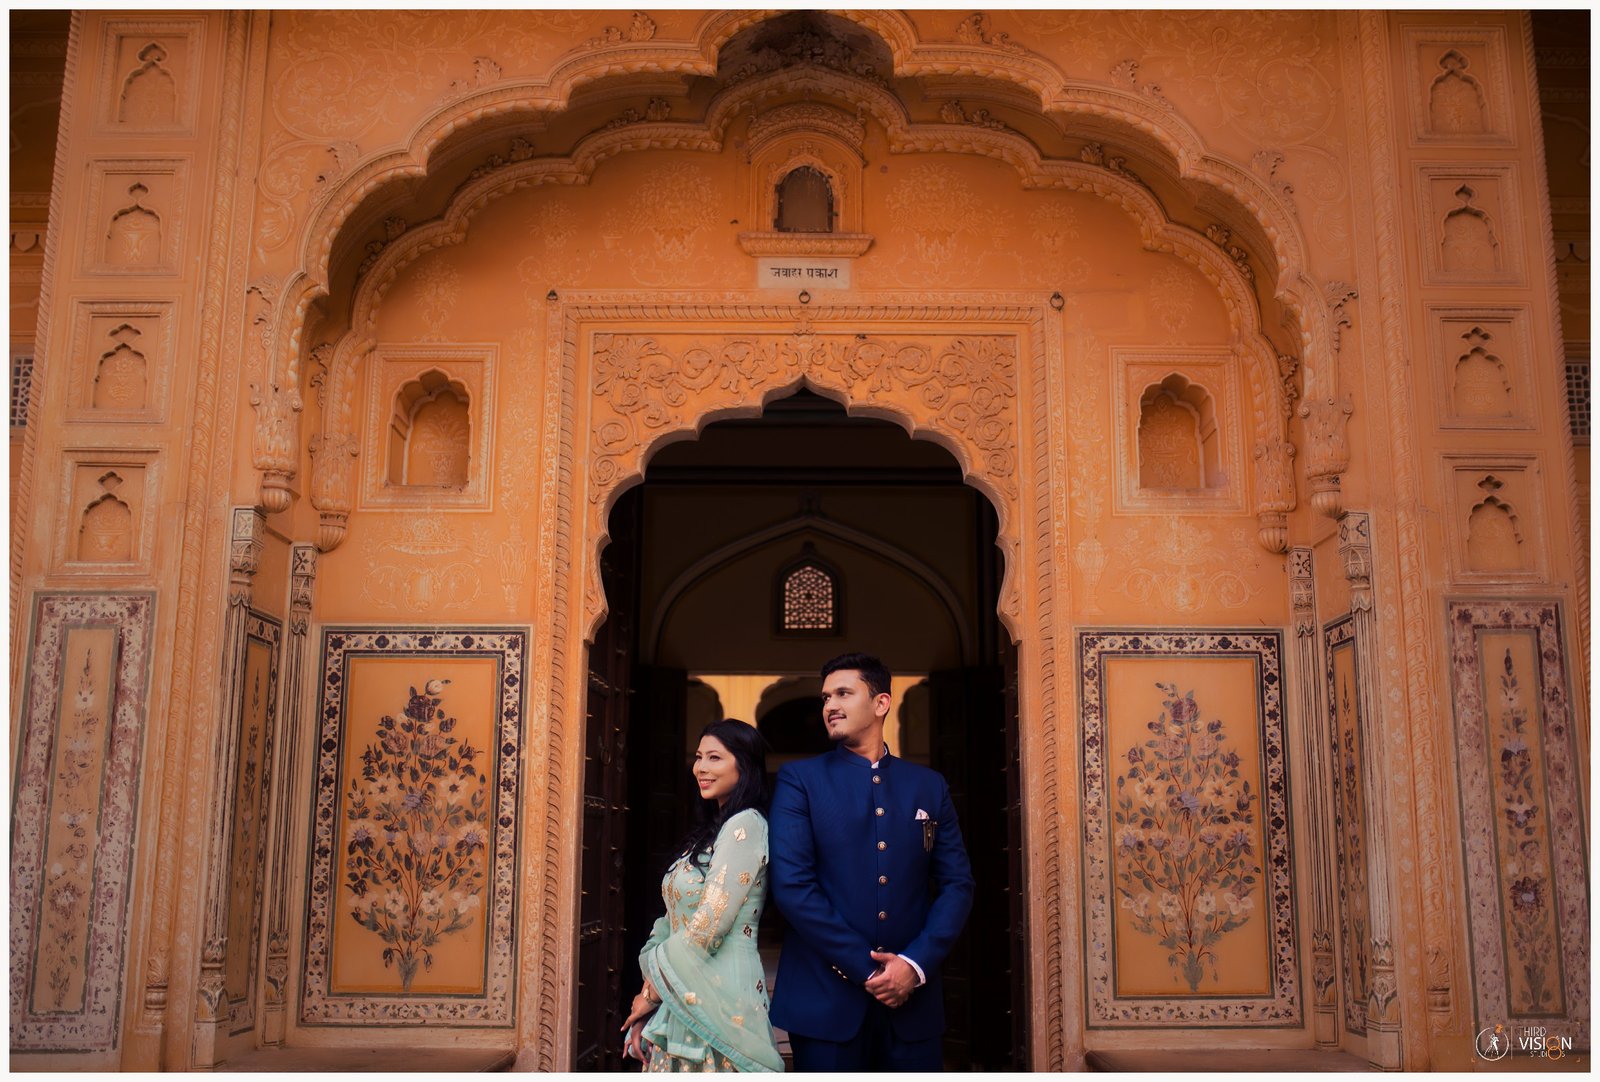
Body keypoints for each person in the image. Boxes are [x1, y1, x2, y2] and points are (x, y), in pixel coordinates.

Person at [768, 653, 975, 1071]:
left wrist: (913, 967)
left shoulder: (928, 786)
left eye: (843, 693)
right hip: (824, 1003)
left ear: (881, 703)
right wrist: (870, 971)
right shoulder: (800, 781)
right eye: (825, 697)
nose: (830, 705)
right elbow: (792, 886)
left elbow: (957, 885)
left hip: (913, 1007)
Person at [622, 719, 785, 1073]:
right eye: (699, 757)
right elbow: (671, 920)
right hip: (683, 986)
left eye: (715, 757)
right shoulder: (711, 834)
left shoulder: (747, 825)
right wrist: (652, 992)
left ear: (744, 766)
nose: (701, 768)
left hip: (722, 997)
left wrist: (649, 997)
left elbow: (709, 924)